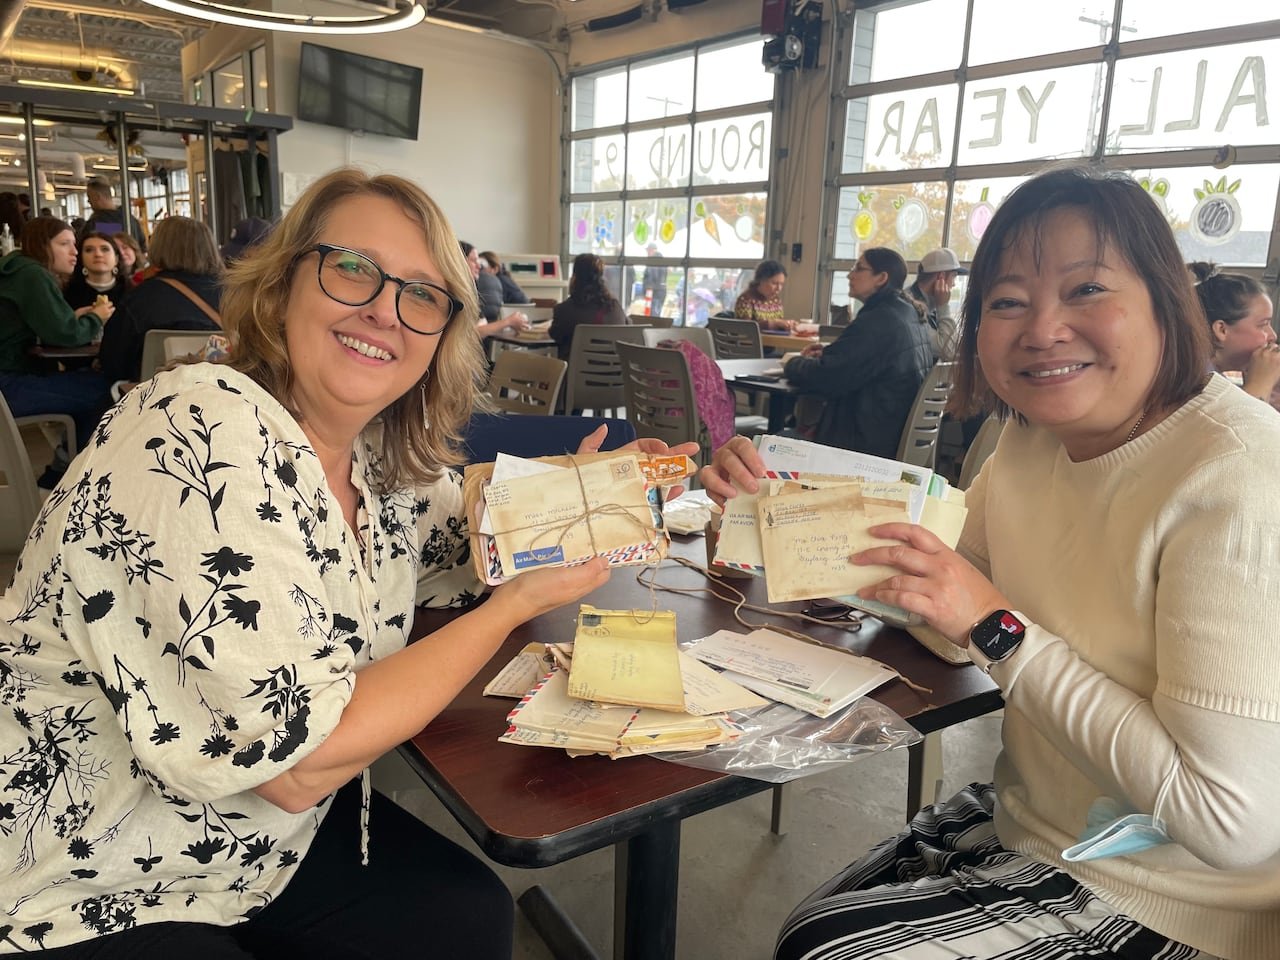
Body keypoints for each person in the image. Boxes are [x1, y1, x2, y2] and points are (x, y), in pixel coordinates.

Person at [0, 166, 697, 957]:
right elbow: (298, 763)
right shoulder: (195, 428)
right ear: (284, 280)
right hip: (85, 867)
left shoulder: (365, 462)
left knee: (463, 914)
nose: (384, 311)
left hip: (253, 847)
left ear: (441, 339)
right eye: (354, 269)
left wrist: (605, 488)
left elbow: (474, 540)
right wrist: (508, 609)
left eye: (423, 295)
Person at [704, 165, 1280, 960]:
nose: (1041, 329)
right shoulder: (1027, 438)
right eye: (1007, 301)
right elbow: (943, 615)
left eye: (1085, 290)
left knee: (816, 947)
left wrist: (996, 626)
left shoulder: (1242, 475)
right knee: (814, 924)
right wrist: (763, 519)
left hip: (1175, 898)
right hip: (1039, 816)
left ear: (1167, 299)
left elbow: (1232, 822)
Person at [782, 247, 934, 457]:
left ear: (881, 278)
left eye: (858, 268)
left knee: (776, 440)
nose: (849, 274)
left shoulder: (879, 320)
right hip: (889, 435)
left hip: (861, 445)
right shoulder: (908, 313)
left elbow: (826, 377)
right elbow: (867, 360)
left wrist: (792, 363)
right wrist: (831, 351)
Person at [0, 215, 113, 469]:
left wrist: (72, 319)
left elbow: (51, 326)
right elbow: (66, 334)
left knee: (88, 385)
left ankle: (66, 463)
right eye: (65, 244)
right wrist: (97, 317)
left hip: (9, 381)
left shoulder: (16, 269)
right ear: (43, 245)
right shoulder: (32, 275)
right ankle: (70, 474)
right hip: (8, 386)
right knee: (105, 391)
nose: (74, 252)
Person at [98, 216, 224, 385]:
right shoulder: (236, 296)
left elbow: (113, 365)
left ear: (157, 247)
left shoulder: (141, 298)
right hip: (225, 397)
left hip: (154, 400)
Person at [1190, 260, 1280, 403]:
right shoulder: (1193, 382)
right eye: (1263, 325)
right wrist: (1261, 385)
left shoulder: (1216, 378)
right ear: (1222, 330)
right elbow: (1240, 424)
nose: (1273, 336)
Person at [549, 252, 628, 360]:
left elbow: (555, 335)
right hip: (614, 374)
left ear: (575, 278)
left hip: (576, 374)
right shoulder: (615, 307)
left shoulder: (564, 310)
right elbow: (628, 328)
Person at [460, 240, 528, 338]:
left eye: (479, 261)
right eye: (474, 260)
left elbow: (481, 327)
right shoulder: (457, 294)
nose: (479, 266)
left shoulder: (471, 290)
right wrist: (509, 321)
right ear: (460, 262)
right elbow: (474, 333)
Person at [910, 246, 965, 360]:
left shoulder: (928, 304)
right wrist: (943, 306)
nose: (954, 284)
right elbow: (948, 350)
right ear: (941, 277)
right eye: (953, 276)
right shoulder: (911, 307)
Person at [63, 230, 131, 311]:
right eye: (89, 250)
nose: (98, 254)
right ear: (81, 258)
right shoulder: (67, 293)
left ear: (116, 258)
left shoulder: (131, 291)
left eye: (105, 249)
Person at [83, 177, 147, 251]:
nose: (88, 201)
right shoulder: (131, 220)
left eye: (89, 197)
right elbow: (143, 248)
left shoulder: (96, 223)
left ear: (97, 197)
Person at [733, 260, 792, 332]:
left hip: (772, 342)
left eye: (781, 284)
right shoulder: (746, 299)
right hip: (751, 342)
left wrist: (787, 324)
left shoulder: (776, 300)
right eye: (774, 283)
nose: (779, 288)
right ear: (761, 280)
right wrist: (772, 323)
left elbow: (777, 326)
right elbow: (744, 328)